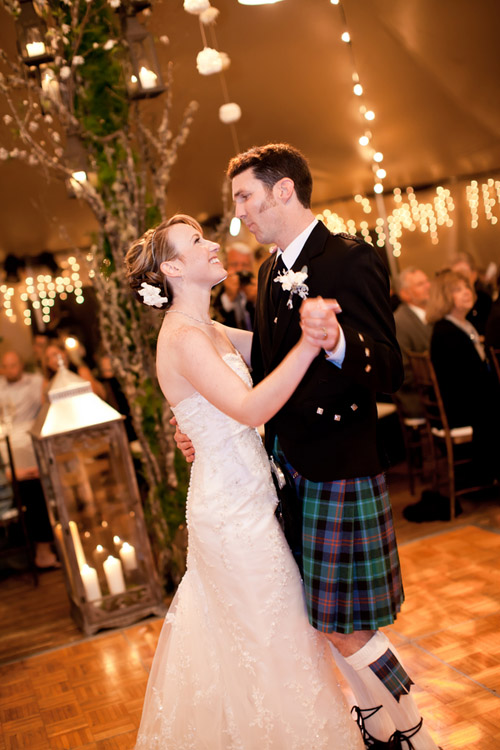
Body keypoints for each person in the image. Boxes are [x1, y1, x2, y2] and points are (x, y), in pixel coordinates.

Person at [176, 144, 442, 750]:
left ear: (284, 191)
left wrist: (338, 338)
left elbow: (391, 369)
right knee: (325, 620)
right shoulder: (272, 271)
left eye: (245, 196)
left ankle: (415, 735)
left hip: (339, 465)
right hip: (288, 468)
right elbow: (267, 366)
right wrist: (199, 411)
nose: (238, 211)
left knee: (341, 625)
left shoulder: (350, 259)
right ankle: (382, 725)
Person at [126, 214, 364, 749]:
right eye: (197, 242)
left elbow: (265, 359)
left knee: (272, 644)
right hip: (231, 517)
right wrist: (308, 343)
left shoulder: (208, 329)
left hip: (251, 501)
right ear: (172, 268)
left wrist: (317, 323)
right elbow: (250, 404)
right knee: (270, 646)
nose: (213, 244)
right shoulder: (184, 337)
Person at [427, 270, 500, 485]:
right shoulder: (446, 332)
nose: (467, 292)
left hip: (471, 399)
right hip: (462, 406)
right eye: (458, 290)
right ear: (444, 297)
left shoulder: (464, 325)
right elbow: (466, 382)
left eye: (467, 287)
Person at [0, 350, 59, 568]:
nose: (11, 370)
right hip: (9, 456)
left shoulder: (35, 383)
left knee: (40, 486)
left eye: (14, 365)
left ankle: (48, 545)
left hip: (32, 446)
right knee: (31, 489)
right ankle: (42, 550)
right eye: (7, 366)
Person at [394, 267, 432, 418]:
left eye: (427, 281)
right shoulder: (399, 322)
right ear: (405, 294)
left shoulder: (434, 315)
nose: (428, 286)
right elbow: (404, 372)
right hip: (418, 398)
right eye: (420, 284)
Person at [211, 241, 255, 330]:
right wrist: (229, 297)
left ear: (252, 268)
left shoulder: (258, 289)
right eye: (234, 264)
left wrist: (257, 302)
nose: (239, 269)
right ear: (226, 266)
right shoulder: (215, 289)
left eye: (245, 265)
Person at [42, 341, 106, 401]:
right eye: (48, 359)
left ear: (64, 352)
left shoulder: (81, 371)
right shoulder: (47, 382)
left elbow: (96, 396)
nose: (52, 361)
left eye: (55, 355)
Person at [451, 253, 492, 335]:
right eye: (456, 274)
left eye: (463, 272)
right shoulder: (451, 306)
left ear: (474, 274)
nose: (460, 278)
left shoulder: (485, 300)